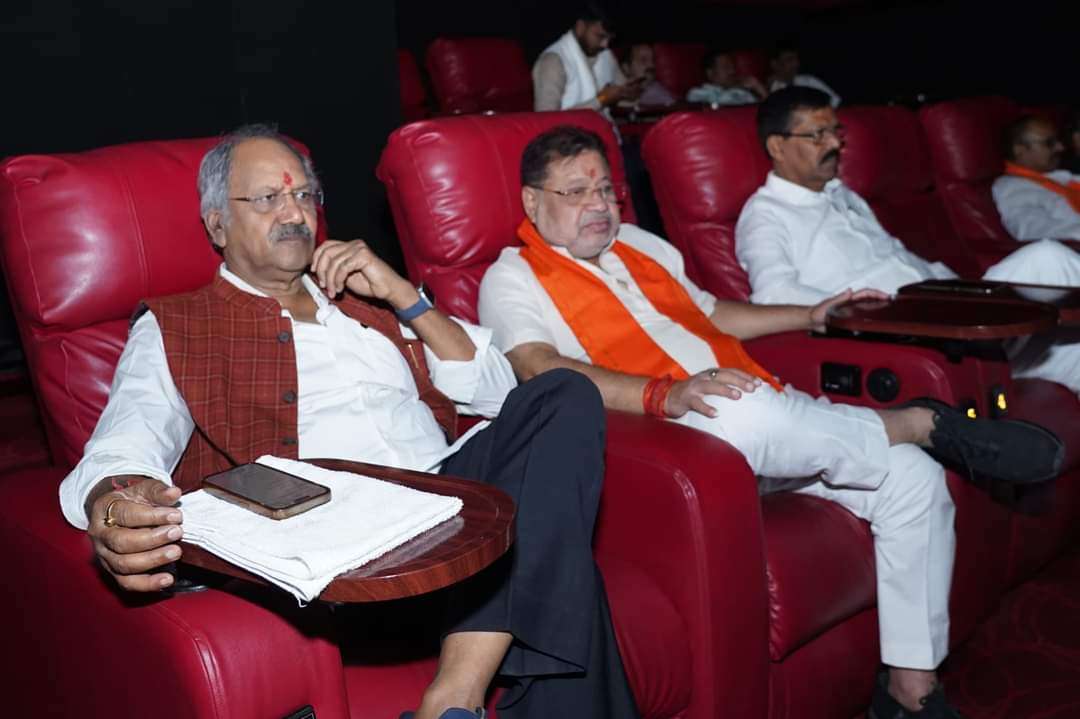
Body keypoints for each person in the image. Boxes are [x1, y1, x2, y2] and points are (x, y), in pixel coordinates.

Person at [478, 125, 1064, 719]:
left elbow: (712, 314)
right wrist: (665, 394)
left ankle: (910, 690)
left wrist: (810, 314)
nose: (600, 205)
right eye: (577, 192)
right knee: (734, 405)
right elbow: (538, 367)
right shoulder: (511, 277)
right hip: (673, 444)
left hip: (772, 424)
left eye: (606, 189)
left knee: (913, 477)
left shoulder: (639, 244)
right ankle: (915, 421)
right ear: (532, 200)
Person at [57, 124, 640, 719]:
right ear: (216, 226)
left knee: (562, 393)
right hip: (346, 548)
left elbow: (496, 391)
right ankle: (459, 694)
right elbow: (123, 445)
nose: (294, 213)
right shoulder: (181, 326)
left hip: (456, 510)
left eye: (304, 196)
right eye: (268, 198)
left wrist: (403, 295)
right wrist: (117, 506)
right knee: (567, 570)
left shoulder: (365, 300)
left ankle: (452, 697)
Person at [736, 87, 1080, 397]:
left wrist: (957, 287)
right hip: (908, 329)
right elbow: (772, 295)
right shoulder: (766, 215)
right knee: (1047, 256)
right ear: (777, 146)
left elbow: (898, 258)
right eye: (817, 135)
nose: (835, 144)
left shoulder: (841, 193)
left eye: (835, 132)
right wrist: (854, 306)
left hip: (950, 307)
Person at [532, 3, 644, 115]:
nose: (605, 44)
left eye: (610, 39)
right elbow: (546, 119)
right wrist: (602, 99)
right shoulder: (552, 61)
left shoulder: (605, 55)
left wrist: (629, 94)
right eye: (600, 36)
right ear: (581, 27)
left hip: (603, 125)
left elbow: (620, 99)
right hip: (572, 128)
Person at [992, 115, 1080, 241]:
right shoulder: (1012, 187)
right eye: (1049, 143)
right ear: (1019, 150)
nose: (1060, 147)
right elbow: (1034, 230)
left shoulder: (1055, 178)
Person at [686, 49, 766, 107]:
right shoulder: (698, 94)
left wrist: (759, 88)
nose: (732, 71)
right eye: (726, 67)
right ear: (710, 73)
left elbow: (767, 114)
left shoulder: (742, 93)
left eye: (733, 67)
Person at [766, 46, 841, 107]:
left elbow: (835, 100)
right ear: (774, 64)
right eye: (789, 59)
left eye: (796, 58)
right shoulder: (770, 88)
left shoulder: (807, 80)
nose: (796, 63)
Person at [618, 42, 676, 107]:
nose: (651, 65)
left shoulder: (657, 92)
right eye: (643, 60)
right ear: (626, 68)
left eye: (653, 60)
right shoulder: (617, 94)